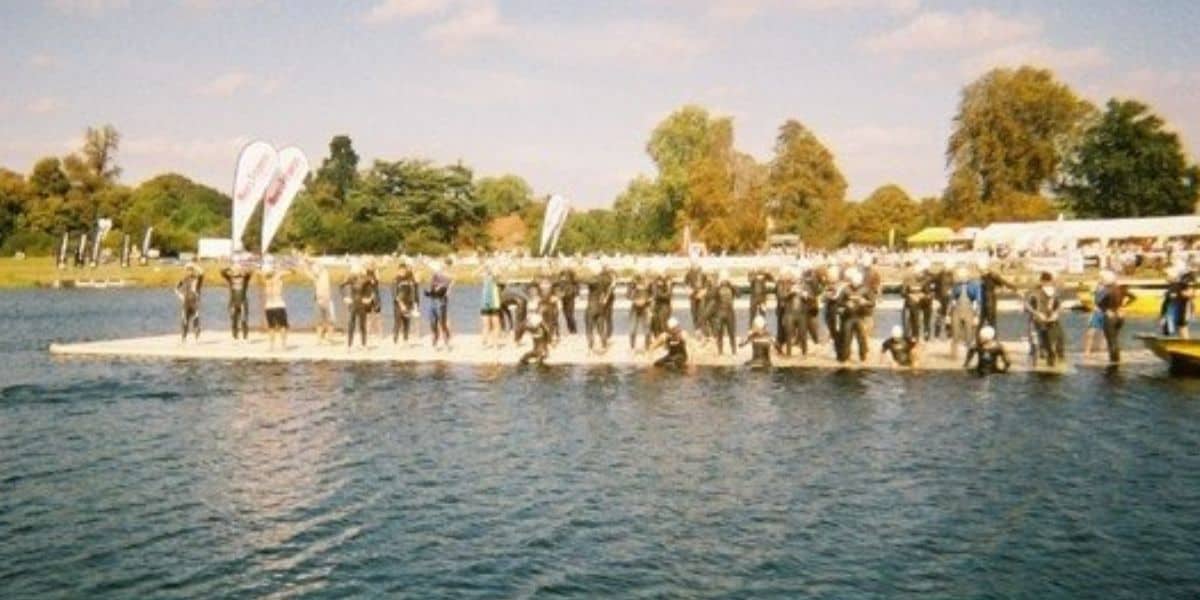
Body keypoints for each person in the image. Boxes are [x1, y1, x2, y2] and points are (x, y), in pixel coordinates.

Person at [1095, 270, 1136, 364]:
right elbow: (1133, 297)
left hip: (1110, 316)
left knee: (1111, 340)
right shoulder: (1121, 289)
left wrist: (1106, 310)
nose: (1100, 280)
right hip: (1120, 316)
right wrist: (1123, 306)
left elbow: (1099, 303)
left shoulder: (1106, 290)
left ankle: (1114, 361)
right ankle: (1117, 359)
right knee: (1115, 339)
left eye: (1101, 278)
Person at [1026, 272, 1064, 368]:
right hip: (1037, 320)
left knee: (1055, 338)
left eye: (1049, 282)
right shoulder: (1035, 292)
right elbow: (1027, 305)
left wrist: (1056, 313)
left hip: (1051, 320)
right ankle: (1036, 358)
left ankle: (1053, 357)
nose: (1048, 284)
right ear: (1042, 281)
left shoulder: (1054, 292)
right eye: (1046, 282)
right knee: (1036, 341)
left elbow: (1059, 305)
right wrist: (1036, 313)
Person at [836, 268, 875, 363]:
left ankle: (863, 356)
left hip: (860, 317)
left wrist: (865, 302)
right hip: (848, 317)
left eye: (857, 282)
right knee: (846, 338)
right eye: (853, 282)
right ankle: (845, 357)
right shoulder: (845, 289)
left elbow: (873, 303)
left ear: (860, 281)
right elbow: (839, 302)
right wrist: (846, 304)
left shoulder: (865, 289)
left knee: (861, 338)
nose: (855, 284)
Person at [341, 262, 375, 349]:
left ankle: (364, 344)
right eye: (356, 270)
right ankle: (349, 345)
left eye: (360, 269)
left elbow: (373, 288)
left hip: (362, 304)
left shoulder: (366, 279)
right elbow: (341, 287)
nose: (357, 271)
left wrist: (369, 299)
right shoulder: (351, 279)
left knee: (362, 325)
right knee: (351, 324)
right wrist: (345, 297)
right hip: (353, 304)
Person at [949, 267, 981, 360]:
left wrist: (976, 315)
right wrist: (948, 313)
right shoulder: (956, 286)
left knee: (969, 333)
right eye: (960, 275)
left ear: (968, 275)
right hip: (957, 310)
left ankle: (969, 355)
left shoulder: (974, 285)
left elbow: (978, 300)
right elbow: (952, 299)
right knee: (955, 333)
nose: (961, 277)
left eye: (963, 275)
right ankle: (954, 355)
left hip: (969, 310)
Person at [302, 259, 336, 345]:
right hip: (318, 300)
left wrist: (309, 259)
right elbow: (306, 272)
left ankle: (330, 339)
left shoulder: (324, 273)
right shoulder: (315, 278)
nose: (315, 270)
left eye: (316, 269)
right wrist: (305, 263)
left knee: (330, 321)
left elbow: (318, 263)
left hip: (328, 300)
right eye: (314, 269)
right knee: (319, 322)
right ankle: (319, 340)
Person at [977, 257, 1014, 333]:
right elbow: (1003, 282)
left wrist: (1013, 287)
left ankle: (990, 338)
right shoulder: (982, 277)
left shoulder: (991, 276)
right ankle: (982, 339)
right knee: (984, 321)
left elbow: (1003, 282)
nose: (981, 270)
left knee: (988, 320)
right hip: (985, 300)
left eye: (981, 269)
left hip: (989, 300)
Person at [261, 262, 290, 352]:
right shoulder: (266, 279)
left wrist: (279, 270)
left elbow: (290, 272)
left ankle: (284, 345)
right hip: (269, 306)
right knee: (271, 327)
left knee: (282, 326)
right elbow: (257, 271)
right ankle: (271, 346)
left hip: (279, 305)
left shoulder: (278, 277)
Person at [584, 262, 612, 353]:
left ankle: (590, 347)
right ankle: (604, 346)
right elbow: (610, 285)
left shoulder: (594, 280)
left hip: (592, 306)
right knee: (601, 328)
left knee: (589, 328)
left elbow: (586, 281)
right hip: (601, 307)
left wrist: (590, 275)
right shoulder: (605, 280)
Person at [220, 263, 253, 341]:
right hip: (233, 302)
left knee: (244, 319)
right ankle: (235, 337)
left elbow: (250, 272)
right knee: (234, 319)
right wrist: (229, 267)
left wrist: (242, 269)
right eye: (235, 270)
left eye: (237, 269)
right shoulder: (230, 278)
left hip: (243, 301)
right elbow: (222, 272)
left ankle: (245, 337)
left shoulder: (245, 278)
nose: (236, 271)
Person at [901, 260, 932, 341]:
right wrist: (911, 296)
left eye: (921, 274)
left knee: (928, 308)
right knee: (913, 310)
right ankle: (915, 335)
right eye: (918, 273)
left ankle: (926, 330)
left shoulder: (926, 279)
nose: (920, 275)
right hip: (911, 302)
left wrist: (924, 296)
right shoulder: (908, 279)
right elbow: (903, 293)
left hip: (923, 301)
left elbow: (928, 293)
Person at [425, 261, 453, 350]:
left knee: (442, 323)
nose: (441, 268)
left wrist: (444, 289)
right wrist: (429, 292)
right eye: (441, 266)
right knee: (433, 323)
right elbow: (431, 289)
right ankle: (435, 343)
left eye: (444, 266)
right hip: (432, 302)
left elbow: (444, 290)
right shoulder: (435, 276)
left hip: (441, 302)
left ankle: (446, 343)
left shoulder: (448, 277)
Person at [1160, 265, 1194, 338]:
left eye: (1167, 275)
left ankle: (1186, 342)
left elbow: (1190, 294)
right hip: (1175, 310)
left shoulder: (1182, 285)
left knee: (1182, 325)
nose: (1166, 277)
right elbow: (1166, 302)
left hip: (1183, 309)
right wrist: (1162, 314)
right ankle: (1181, 342)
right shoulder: (1171, 287)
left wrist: (1180, 294)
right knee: (1175, 326)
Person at [175, 262, 204, 343]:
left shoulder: (197, 278)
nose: (189, 272)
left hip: (194, 302)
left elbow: (202, 272)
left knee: (195, 319)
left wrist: (194, 265)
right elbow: (176, 288)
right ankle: (183, 338)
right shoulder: (184, 279)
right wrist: (180, 295)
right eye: (188, 270)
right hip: (186, 302)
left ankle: (197, 337)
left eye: (191, 270)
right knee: (184, 320)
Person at [393, 262, 420, 344]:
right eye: (401, 270)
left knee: (407, 322)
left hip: (408, 303)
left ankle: (405, 340)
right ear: (398, 270)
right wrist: (401, 305)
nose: (403, 272)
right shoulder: (396, 280)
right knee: (398, 322)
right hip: (398, 305)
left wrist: (414, 305)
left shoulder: (409, 279)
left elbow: (414, 289)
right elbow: (395, 294)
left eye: (404, 270)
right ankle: (395, 340)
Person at [712, 271, 739, 355]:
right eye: (723, 279)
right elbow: (712, 296)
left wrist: (732, 285)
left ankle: (734, 350)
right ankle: (720, 351)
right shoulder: (717, 288)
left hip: (730, 312)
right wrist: (717, 286)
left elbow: (739, 294)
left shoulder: (731, 287)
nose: (724, 281)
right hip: (720, 312)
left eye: (725, 279)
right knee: (720, 333)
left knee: (732, 332)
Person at [627, 270, 653, 352]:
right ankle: (632, 347)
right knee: (632, 328)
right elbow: (628, 295)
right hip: (635, 307)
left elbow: (654, 295)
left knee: (647, 328)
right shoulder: (633, 283)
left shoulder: (650, 283)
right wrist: (635, 300)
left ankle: (647, 347)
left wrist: (646, 300)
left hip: (646, 307)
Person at [821, 265, 843, 356]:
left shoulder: (841, 286)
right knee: (831, 329)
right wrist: (826, 295)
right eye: (829, 277)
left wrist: (828, 296)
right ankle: (833, 347)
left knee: (836, 330)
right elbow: (823, 298)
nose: (829, 279)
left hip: (837, 312)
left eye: (831, 277)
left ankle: (838, 349)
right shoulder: (827, 286)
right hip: (828, 311)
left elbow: (836, 297)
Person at [479, 263, 502, 348]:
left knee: (495, 323)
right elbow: (474, 273)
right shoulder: (485, 276)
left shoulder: (495, 277)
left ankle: (495, 343)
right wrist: (483, 266)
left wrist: (493, 267)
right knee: (485, 324)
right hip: (485, 303)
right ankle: (485, 342)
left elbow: (498, 274)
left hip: (494, 303)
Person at [930, 262, 954, 340]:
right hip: (940, 298)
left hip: (947, 298)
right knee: (938, 316)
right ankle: (935, 335)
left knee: (944, 316)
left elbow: (952, 285)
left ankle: (943, 334)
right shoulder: (940, 275)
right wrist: (934, 297)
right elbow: (933, 285)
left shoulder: (951, 275)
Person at [650, 267, 674, 338]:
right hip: (657, 305)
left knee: (663, 323)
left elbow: (669, 295)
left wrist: (668, 288)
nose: (663, 274)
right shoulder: (655, 282)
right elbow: (655, 293)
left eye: (664, 272)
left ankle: (665, 340)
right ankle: (658, 339)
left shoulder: (669, 282)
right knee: (655, 323)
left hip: (665, 305)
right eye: (661, 272)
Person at [556, 265, 579, 335]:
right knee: (566, 314)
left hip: (570, 297)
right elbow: (559, 285)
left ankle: (574, 330)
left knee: (570, 314)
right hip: (563, 298)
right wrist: (559, 293)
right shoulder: (561, 274)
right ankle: (570, 329)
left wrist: (576, 294)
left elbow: (576, 286)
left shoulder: (572, 274)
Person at [684, 260, 705, 331]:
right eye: (693, 264)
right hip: (692, 295)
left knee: (701, 313)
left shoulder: (703, 274)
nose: (694, 266)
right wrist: (688, 290)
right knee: (694, 312)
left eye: (695, 264)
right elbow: (686, 284)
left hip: (701, 295)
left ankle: (700, 329)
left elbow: (706, 286)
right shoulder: (689, 274)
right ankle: (696, 328)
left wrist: (702, 292)